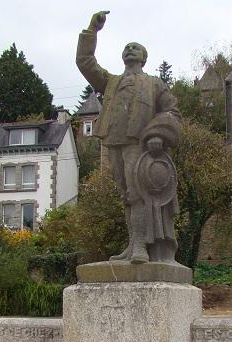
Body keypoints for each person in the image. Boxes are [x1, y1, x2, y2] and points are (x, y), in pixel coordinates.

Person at [76, 11, 182, 264]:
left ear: (144, 58)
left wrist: (157, 134)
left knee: (137, 192)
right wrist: (92, 30)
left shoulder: (155, 84)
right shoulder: (111, 82)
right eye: (127, 47)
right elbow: (84, 62)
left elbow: (172, 111)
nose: (130, 49)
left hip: (139, 143)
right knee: (127, 194)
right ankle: (133, 244)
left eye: (136, 48)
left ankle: (140, 247)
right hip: (114, 141)